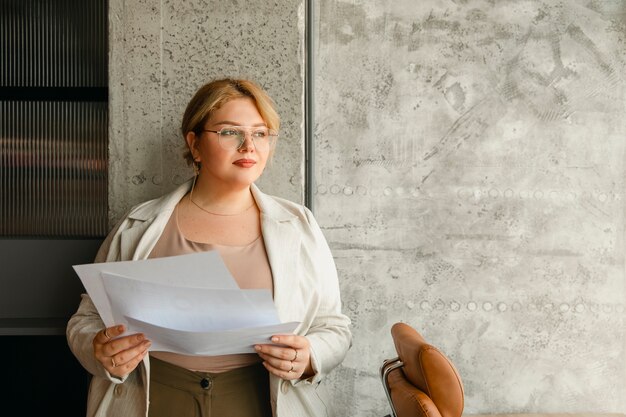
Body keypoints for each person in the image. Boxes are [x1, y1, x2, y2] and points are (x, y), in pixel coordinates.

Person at [66, 78, 352, 417]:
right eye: (230, 132)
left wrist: (309, 357)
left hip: (260, 398)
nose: (249, 146)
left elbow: (334, 326)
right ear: (195, 144)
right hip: (153, 396)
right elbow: (86, 319)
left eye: (261, 133)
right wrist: (99, 349)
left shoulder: (298, 226)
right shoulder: (139, 225)